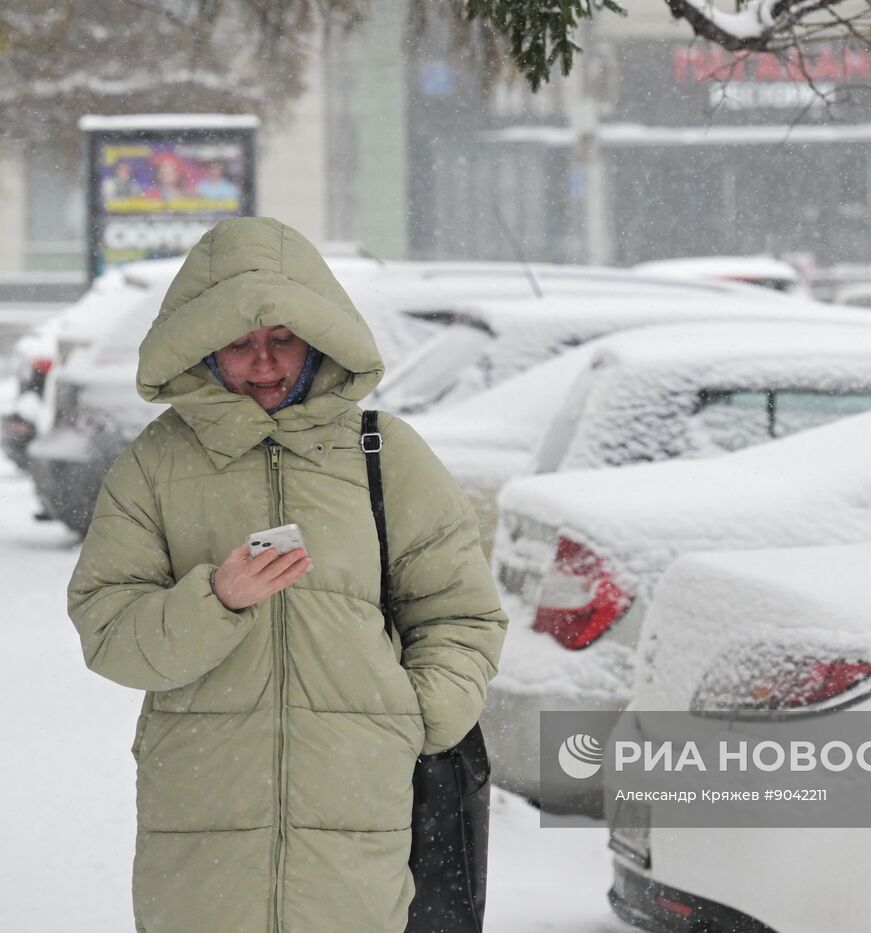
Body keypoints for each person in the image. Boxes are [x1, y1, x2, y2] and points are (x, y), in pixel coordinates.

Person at [67, 216, 508, 933]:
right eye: (240, 343)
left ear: (317, 337)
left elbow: (462, 614)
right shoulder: (155, 466)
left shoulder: (384, 454)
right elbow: (108, 630)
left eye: (281, 339)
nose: (264, 365)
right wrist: (217, 598)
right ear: (202, 345)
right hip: (203, 827)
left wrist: (414, 715)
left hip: (359, 823)